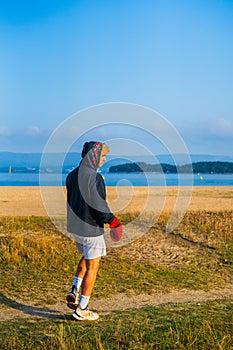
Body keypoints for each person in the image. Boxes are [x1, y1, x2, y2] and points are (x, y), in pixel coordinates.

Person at [66, 141, 122, 321]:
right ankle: (82, 308)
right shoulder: (95, 178)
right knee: (93, 266)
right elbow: (99, 205)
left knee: (87, 256)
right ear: (94, 156)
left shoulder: (72, 175)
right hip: (91, 228)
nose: (104, 160)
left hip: (76, 228)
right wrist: (113, 222)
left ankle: (74, 288)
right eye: (103, 156)